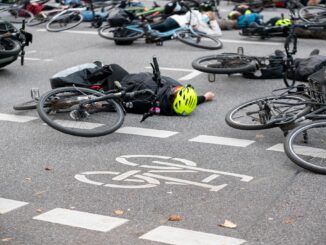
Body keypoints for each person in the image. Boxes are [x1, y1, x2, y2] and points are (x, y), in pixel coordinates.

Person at [50, 63, 215, 116]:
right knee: (102, 67)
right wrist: (206, 97)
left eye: (175, 93)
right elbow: (194, 101)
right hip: (131, 77)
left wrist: (103, 106)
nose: (176, 89)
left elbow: (126, 105)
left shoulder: (154, 105)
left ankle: (63, 85)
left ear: (172, 102)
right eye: (179, 89)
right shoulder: (185, 99)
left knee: (106, 70)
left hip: (122, 84)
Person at [149, 9, 222, 37]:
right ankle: (146, 27)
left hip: (179, 28)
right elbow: (189, 14)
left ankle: (145, 34)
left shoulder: (204, 26)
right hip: (176, 20)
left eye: (209, 18)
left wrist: (213, 21)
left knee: (162, 35)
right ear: (204, 13)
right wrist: (193, 24)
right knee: (164, 26)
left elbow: (218, 33)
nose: (207, 17)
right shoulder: (197, 13)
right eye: (207, 15)